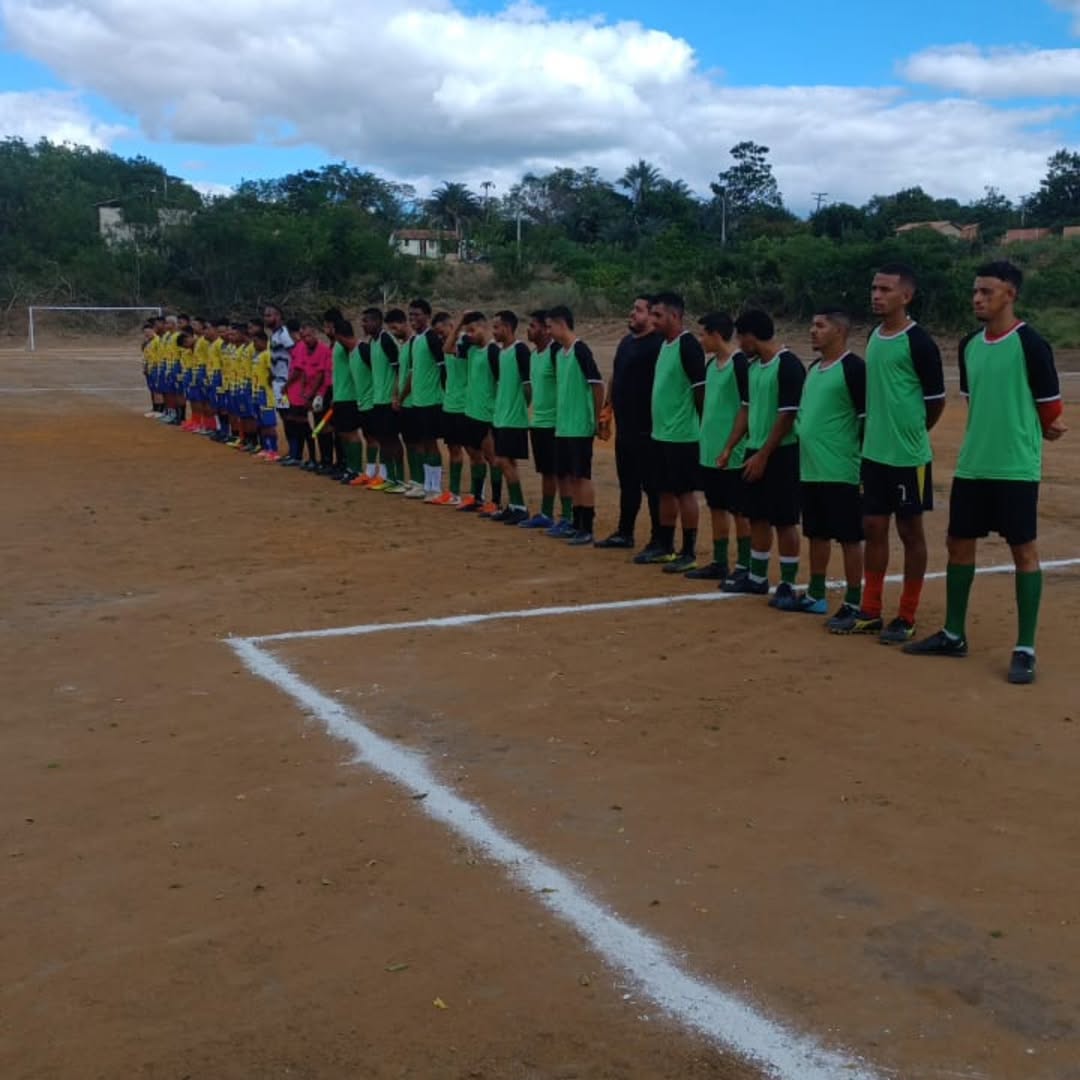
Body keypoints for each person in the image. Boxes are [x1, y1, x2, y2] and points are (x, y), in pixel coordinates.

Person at [904, 260, 1066, 684]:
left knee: (1023, 550)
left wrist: (1046, 427)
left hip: (1015, 466)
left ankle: (1025, 647)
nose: (977, 298)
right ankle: (954, 633)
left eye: (987, 292)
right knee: (958, 543)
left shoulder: (1032, 344)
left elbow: (1050, 405)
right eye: (975, 291)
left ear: (1010, 294)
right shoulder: (968, 345)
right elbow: (979, 400)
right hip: (973, 464)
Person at [833, 263, 945, 642]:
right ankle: (870, 609)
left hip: (908, 457)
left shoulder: (920, 342)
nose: (876, 295)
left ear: (906, 296)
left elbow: (935, 401)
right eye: (874, 288)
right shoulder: (874, 337)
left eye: (885, 289)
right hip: (874, 454)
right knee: (874, 527)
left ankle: (907, 614)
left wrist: (912, 432)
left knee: (910, 532)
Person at [720, 310, 806, 606]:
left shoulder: (789, 365)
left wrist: (764, 455)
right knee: (756, 515)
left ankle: (787, 583)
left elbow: (787, 416)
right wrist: (730, 446)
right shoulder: (753, 367)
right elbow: (746, 410)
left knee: (784, 520)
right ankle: (757, 578)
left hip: (781, 452)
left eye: (740, 338)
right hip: (755, 449)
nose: (739, 344)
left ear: (750, 336)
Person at [793, 309, 866, 623]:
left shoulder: (853, 368)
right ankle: (816, 594)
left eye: (820, 326)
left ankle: (853, 601)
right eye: (812, 324)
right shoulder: (813, 368)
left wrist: (863, 467)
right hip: (811, 469)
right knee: (817, 534)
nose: (812, 331)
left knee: (849, 537)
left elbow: (866, 421)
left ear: (839, 331)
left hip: (842, 470)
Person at [637, 292, 706, 571]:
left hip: (683, 435)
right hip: (661, 433)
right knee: (664, 490)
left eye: (658, 315)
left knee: (684, 492)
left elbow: (700, 391)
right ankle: (665, 546)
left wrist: (702, 426)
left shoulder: (688, 346)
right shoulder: (665, 345)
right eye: (651, 314)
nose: (653, 320)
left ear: (675, 316)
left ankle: (688, 551)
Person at [595, 294, 663, 551]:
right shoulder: (626, 342)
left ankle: (659, 538)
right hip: (626, 428)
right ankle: (625, 533)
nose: (632, 313)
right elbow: (615, 375)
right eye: (633, 308)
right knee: (628, 483)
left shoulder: (658, 345)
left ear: (652, 314)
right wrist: (607, 411)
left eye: (639, 310)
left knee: (653, 487)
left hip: (649, 428)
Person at [691, 313, 752, 582]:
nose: (701, 340)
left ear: (716, 335)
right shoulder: (710, 365)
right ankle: (719, 561)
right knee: (716, 505)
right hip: (709, 449)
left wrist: (731, 445)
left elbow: (747, 407)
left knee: (739, 509)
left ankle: (745, 564)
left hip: (733, 451)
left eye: (703, 334)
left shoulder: (740, 364)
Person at [548, 305, 604, 545]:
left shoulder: (581, 349)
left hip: (580, 425)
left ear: (562, 324)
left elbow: (597, 384)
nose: (548, 331)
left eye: (550, 326)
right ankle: (576, 522)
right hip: (564, 426)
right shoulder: (560, 354)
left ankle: (587, 526)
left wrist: (597, 418)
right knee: (571, 476)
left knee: (582, 476)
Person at [489, 310, 533, 524]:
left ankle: (520, 507)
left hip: (513, 418)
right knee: (507, 461)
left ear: (507, 328)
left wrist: (521, 408)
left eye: (496, 327)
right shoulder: (501, 353)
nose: (493, 331)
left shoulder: (520, 350)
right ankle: (514, 505)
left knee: (503, 461)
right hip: (501, 416)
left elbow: (528, 385)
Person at [400, 299, 445, 500]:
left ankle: (435, 487)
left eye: (417, 315)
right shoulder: (414, 341)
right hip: (417, 401)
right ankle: (425, 484)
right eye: (410, 315)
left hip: (432, 400)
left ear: (427, 316)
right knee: (422, 443)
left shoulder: (432, 338)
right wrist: (403, 396)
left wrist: (445, 394)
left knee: (431, 443)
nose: (413, 319)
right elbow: (412, 372)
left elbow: (443, 367)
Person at [456, 311, 501, 514]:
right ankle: (477, 497)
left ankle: (496, 500)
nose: (469, 335)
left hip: (488, 414)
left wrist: (498, 412)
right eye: (467, 332)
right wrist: (459, 324)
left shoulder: (493, 351)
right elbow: (447, 348)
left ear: (484, 327)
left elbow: (502, 383)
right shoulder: (471, 350)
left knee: (493, 458)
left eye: (472, 330)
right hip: (470, 412)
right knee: (474, 457)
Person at [363, 308, 406, 493]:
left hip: (389, 400)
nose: (363, 324)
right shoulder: (371, 342)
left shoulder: (386, 340)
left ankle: (400, 479)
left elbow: (399, 369)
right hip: (377, 400)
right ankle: (389, 477)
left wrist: (396, 395)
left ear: (378, 321)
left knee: (392, 439)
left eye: (367, 321)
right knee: (382, 440)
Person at [430, 311, 468, 505]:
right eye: (437, 334)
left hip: (466, 405)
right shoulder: (447, 346)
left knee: (475, 452)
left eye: (442, 331)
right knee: (453, 449)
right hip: (450, 404)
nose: (440, 336)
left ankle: (480, 496)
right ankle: (454, 492)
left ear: (451, 325)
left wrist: (461, 323)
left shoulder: (465, 342)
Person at [281, 322, 331, 467]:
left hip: (319, 393)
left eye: (308, 335)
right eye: (303, 337)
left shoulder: (322, 350)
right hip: (303, 393)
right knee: (300, 423)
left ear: (315, 333)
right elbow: (302, 371)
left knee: (314, 426)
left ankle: (317, 459)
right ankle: (308, 457)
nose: (306, 339)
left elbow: (320, 375)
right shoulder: (302, 348)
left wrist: (310, 394)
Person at [329, 318, 364, 484]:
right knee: (343, 434)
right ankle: (349, 467)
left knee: (351, 434)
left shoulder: (351, 347)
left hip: (350, 396)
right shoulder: (336, 346)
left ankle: (356, 469)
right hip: (340, 396)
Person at [250, 328, 281, 460]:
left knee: (269, 424)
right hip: (256, 391)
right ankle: (266, 447)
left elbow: (274, 370)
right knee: (261, 423)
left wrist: (271, 381)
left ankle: (274, 449)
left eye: (256, 341)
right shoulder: (258, 354)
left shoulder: (268, 354)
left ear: (263, 341)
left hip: (265, 394)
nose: (254, 344)